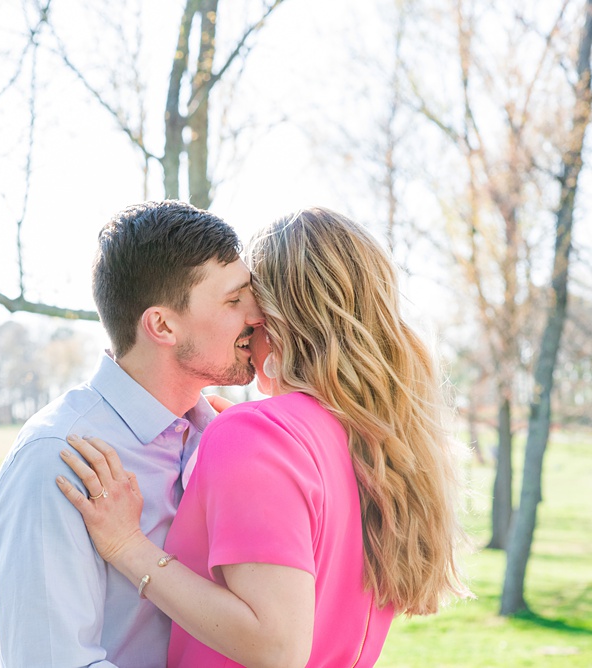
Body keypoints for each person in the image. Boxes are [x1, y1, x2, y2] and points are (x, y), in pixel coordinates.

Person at [58, 207, 470, 667]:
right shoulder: (376, 445)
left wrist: (128, 549)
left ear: (277, 314)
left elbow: (275, 647)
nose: (245, 320)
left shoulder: (259, 435)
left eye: (244, 301)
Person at [0, 200, 263, 667]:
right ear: (161, 325)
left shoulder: (215, 437)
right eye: (234, 300)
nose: (256, 315)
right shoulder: (57, 460)